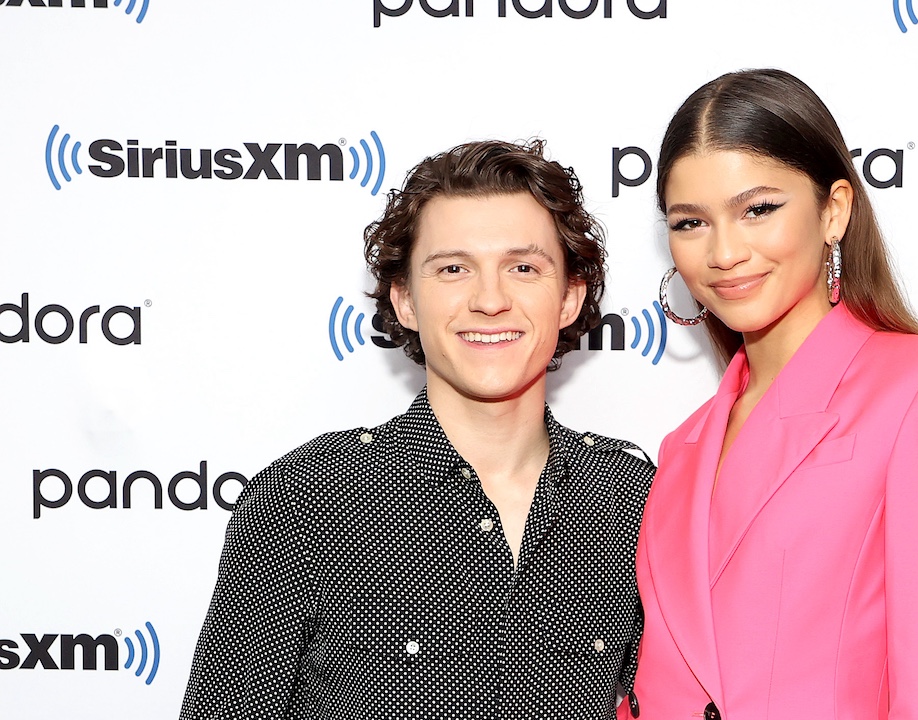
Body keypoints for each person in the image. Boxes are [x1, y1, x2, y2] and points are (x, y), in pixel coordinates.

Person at [180, 139, 654, 720]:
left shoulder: (632, 498)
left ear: (569, 299)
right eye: (454, 269)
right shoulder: (307, 497)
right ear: (404, 301)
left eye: (523, 268)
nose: (489, 300)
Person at [625, 70, 918, 720]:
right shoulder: (683, 447)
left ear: (833, 210)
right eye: (691, 222)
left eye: (758, 210)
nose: (724, 252)